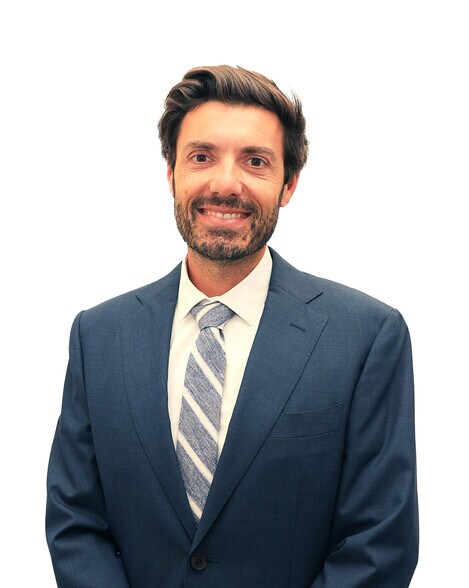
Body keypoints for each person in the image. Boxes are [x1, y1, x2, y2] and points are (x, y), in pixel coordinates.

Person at [46, 65, 419, 587]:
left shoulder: (366, 338)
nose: (225, 184)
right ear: (171, 173)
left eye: (255, 161)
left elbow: (379, 543)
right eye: (201, 157)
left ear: (288, 184)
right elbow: (76, 521)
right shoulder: (99, 336)